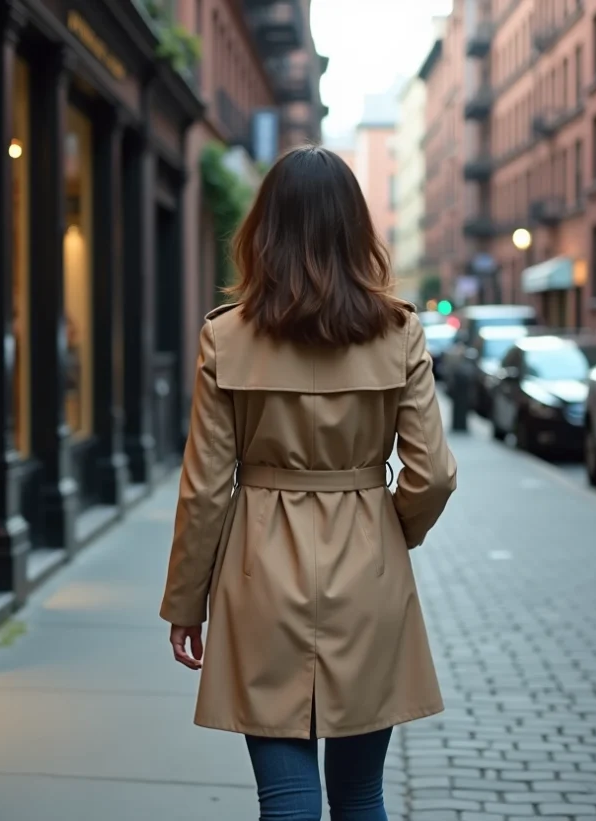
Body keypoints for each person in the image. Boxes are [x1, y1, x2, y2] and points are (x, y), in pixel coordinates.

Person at [160, 146, 457, 821]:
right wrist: (390, 526)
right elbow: (434, 472)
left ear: (265, 230)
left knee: (287, 801)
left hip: (260, 570)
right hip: (367, 569)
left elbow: (205, 486)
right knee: (360, 796)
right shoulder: (401, 332)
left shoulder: (226, 337)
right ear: (358, 232)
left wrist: (185, 601)